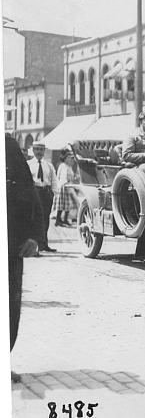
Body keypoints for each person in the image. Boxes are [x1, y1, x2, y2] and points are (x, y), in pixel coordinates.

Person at [6, 135, 43, 351]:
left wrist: (34, 234)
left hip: (11, 243)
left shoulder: (8, 145)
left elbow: (28, 190)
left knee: (9, 305)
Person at [26, 140, 58, 252]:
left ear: (44, 151)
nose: (39, 152)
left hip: (46, 193)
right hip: (34, 193)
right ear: (33, 150)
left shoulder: (48, 165)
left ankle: (43, 244)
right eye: (37, 149)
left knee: (45, 219)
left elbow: (54, 180)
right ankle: (33, 247)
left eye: (41, 149)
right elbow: (25, 181)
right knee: (34, 219)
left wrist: (53, 194)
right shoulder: (28, 164)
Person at [53, 149, 79, 227]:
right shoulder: (63, 166)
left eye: (70, 158)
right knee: (62, 204)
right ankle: (58, 220)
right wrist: (68, 186)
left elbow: (71, 177)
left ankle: (64, 219)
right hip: (64, 186)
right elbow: (63, 178)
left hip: (68, 186)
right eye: (68, 158)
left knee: (68, 205)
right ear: (64, 158)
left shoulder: (69, 167)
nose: (70, 159)